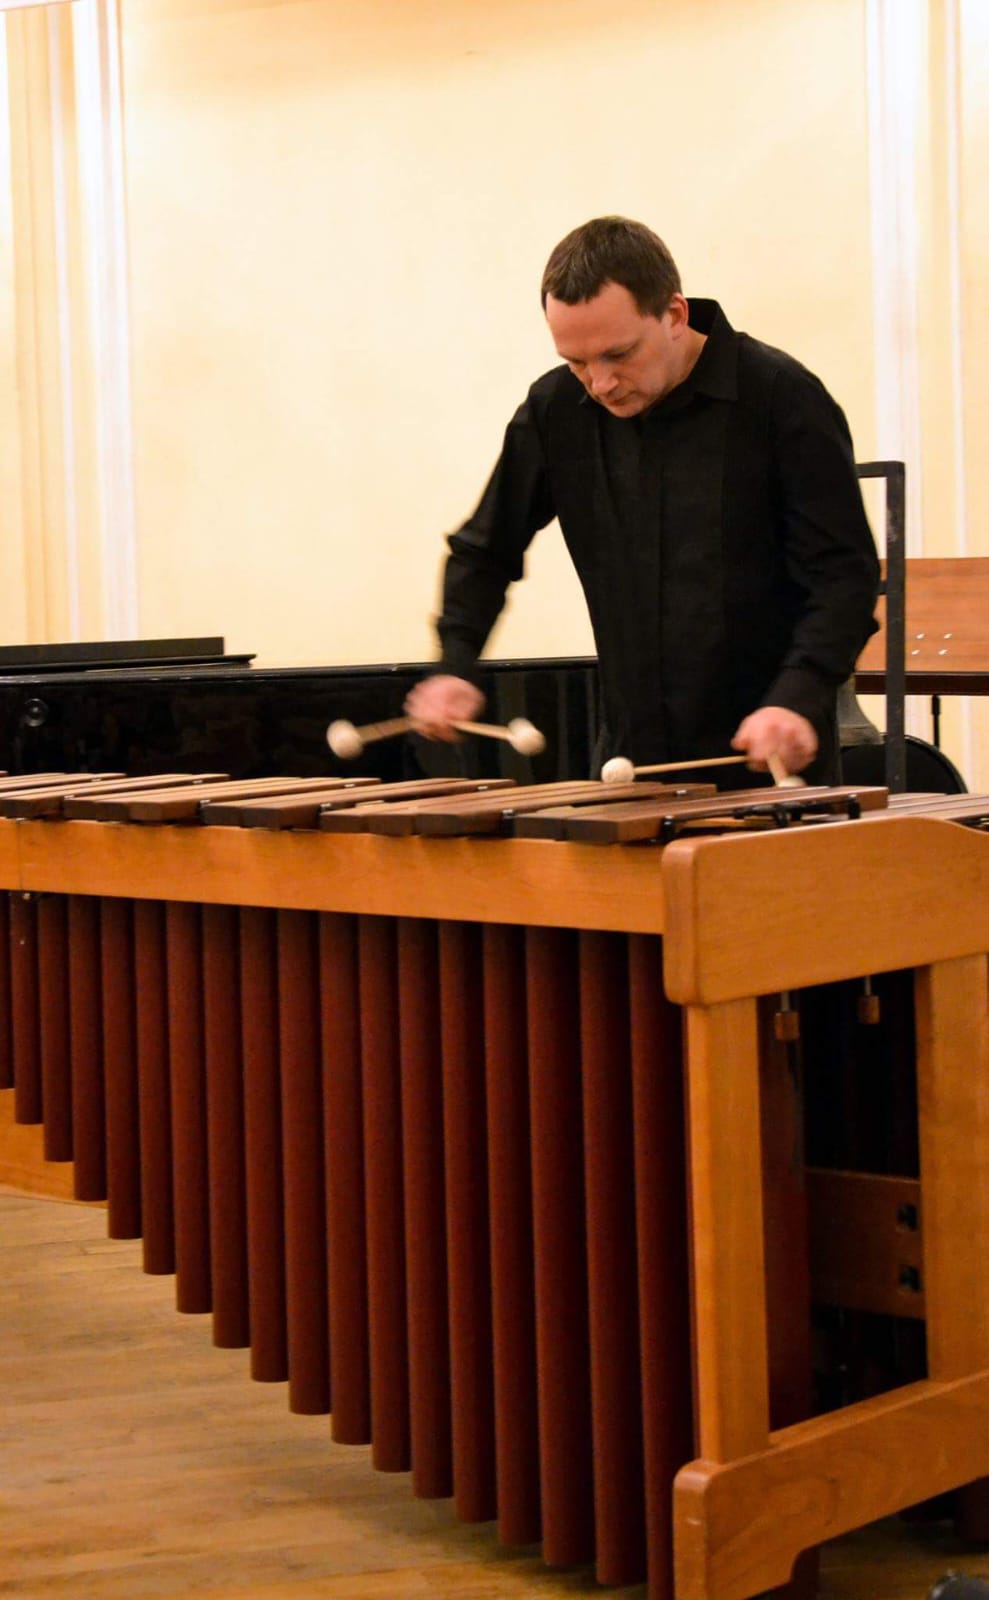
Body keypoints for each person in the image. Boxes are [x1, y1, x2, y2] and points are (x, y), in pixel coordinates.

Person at [404, 216, 879, 782]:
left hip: (771, 764)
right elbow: (486, 549)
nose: (600, 383)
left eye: (618, 354)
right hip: (629, 769)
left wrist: (797, 696)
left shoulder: (780, 398)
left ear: (674, 314)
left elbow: (843, 576)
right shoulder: (556, 411)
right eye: (577, 362)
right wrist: (455, 663)